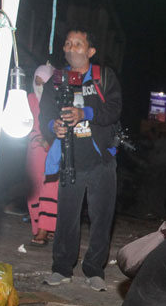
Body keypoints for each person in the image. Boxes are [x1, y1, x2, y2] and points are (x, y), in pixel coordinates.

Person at [39, 27, 122, 291]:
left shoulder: (104, 77)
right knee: (66, 217)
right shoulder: (56, 79)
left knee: (101, 218)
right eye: (68, 43)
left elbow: (113, 111)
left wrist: (83, 112)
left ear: (90, 51)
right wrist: (54, 127)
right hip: (70, 159)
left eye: (78, 44)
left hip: (102, 161)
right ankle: (61, 268)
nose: (72, 47)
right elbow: (45, 116)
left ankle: (95, 270)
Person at [27, 62, 58, 245]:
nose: (39, 87)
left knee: (50, 189)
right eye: (36, 82)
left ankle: (45, 229)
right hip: (33, 150)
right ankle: (38, 226)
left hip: (52, 148)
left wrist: (50, 140)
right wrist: (34, 138)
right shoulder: (30, 98)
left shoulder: (56, 100)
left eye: (43, 83)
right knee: (34, 189)